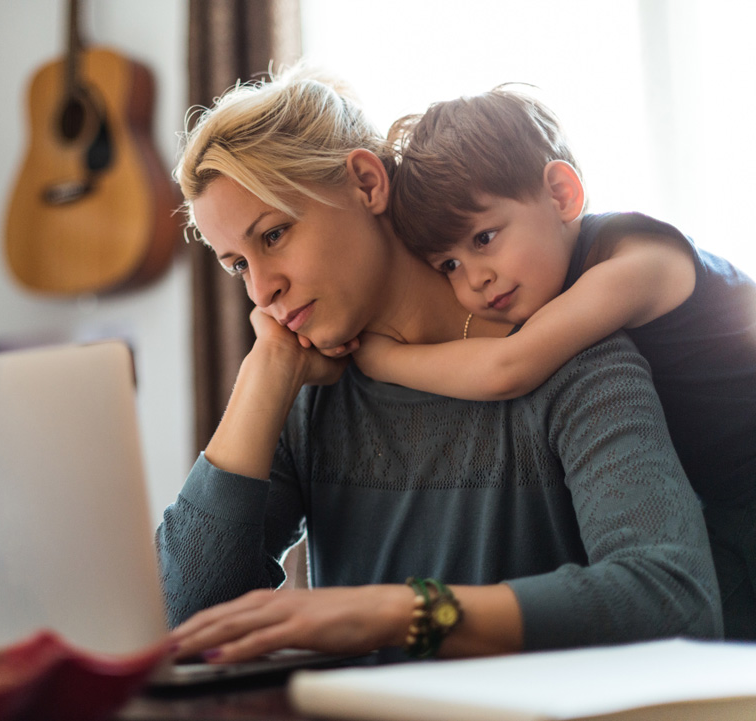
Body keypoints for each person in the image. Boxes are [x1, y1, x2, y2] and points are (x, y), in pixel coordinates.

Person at [157, 65, 721, 665]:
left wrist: (401, 614)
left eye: (272, 236)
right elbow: (190, 625)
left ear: (367, 183)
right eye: (238, 265)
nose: (262, 291)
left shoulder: (575, 359)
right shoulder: (308, 391)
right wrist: (263, 371)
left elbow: (675, 600)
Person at [356, 86, 756, 639]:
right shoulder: (551, 283)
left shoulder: (637, 262)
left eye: (485, 238)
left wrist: (381, 357)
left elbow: (507, 368)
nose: (474, 279)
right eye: (448, 263)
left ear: (563, 195)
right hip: (716, 496)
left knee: (694, 638)